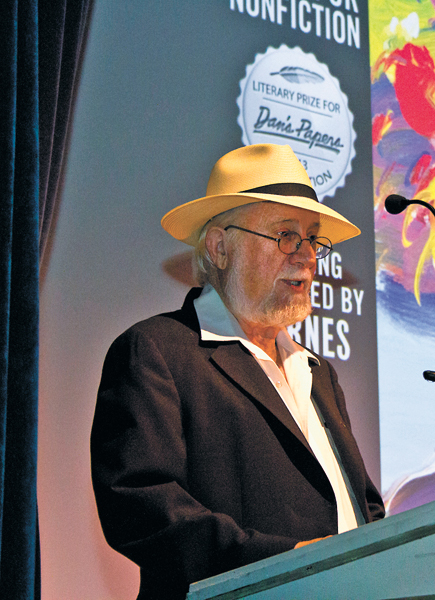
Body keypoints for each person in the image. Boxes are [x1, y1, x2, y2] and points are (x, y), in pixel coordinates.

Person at [91, 143, 385, 599]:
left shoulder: (319, 372)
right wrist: (285, 562)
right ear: (221, 246)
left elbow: (361, 507)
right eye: (286, 235)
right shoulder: (157, 351)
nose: (306, 255)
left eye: (312, 238)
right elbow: (139, 504)